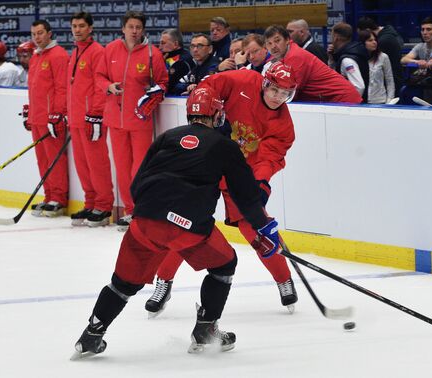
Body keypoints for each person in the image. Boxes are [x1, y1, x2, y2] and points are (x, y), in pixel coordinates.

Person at [73, 86, 281, 357]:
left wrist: (152, 209)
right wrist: (264, 228)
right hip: (189, 227)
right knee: (224, 264)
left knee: (122, 283)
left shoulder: (167, 137)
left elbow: (136, 187)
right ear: (217, 113)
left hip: (146, 221)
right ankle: (205, 330)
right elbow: (247, 197)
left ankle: (91, 335)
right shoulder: (225, 146)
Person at [145, 62, 298, 317]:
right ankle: (163, 281)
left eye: (285, 94)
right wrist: (208, 118)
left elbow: (268, 158)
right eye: (275, 90)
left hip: (240, 173)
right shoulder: (241, 81)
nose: (278, 98)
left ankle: (284, 279)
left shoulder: (283, 125)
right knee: (186, 224)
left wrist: (258, 186)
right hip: (207, 162)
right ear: (264, 83)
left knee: (255, 228)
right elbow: (207, 87)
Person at [95, 11, 168, 230]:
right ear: (123, 29)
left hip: (140, 119)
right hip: (115, 119)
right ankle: (129, 210)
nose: (134, 31)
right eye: (131, 27)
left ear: (143, 29)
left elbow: (163, 82)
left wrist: (155, 93)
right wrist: (108, 87)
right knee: (122, 168)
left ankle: (140, 209)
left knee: (140, 168)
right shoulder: (110, 50)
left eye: (138, 27)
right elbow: (98, 76)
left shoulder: (152, 54)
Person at [67, 12, 114, 227]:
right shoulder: (75, 52)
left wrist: (95, 113)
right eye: (74, 26)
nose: (77, 30)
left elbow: (99, 85)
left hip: (91, 118)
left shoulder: (97, 52)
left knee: (97, 164)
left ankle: (103, 206)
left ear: (91, 28)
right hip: (75, 119)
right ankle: (90, 202)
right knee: (82, 165)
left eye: (81, 26)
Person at [25, 20, 69, 217]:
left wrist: (57, 113)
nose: (37, 37)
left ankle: (58, 198)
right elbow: (35, 88)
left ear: (49, 34)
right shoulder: (35, 56)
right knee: (42, 159)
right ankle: (48, 194)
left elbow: (62, 87)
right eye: (34, 34)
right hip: (37, 117)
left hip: (51, 118)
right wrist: (29, 111)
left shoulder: (58, 55)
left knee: (54, 159)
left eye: (40, 33)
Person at [264, 25, 362, 104]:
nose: (273, 47)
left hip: (342, 99)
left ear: (287, 40)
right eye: (269, 43)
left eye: (277, 41)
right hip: (330, 100)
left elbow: (290, 93)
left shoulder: (295, 56)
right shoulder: (280, 58)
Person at [357, 16, 404, 96]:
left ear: (367, 31)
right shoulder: (390, 33)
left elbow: (388, 77)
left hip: (387, 88)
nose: (373, 42)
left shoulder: (383, 42)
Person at [328, 22, 369, 102]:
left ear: (336, 37)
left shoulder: (347, 61)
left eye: (332, 36)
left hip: (353, 107)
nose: (331, 39)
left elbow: (359, 87)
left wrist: (348, 106)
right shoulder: (354, 51)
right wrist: (332, 57)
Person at [359, 30, 395, 104]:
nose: (374, 42)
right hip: (363, 101)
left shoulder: (383, 57)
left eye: (375, 40)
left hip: (380, 101)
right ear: (362, 43)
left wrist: (389, 101)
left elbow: (390, 80)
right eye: (370, 40)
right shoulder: (357, 58)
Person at [159, 28, 194, 95]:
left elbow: (168, 84)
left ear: (175, 44)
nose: (160, 47)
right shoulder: (164, 57)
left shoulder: (183, 60)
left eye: (163, 43)